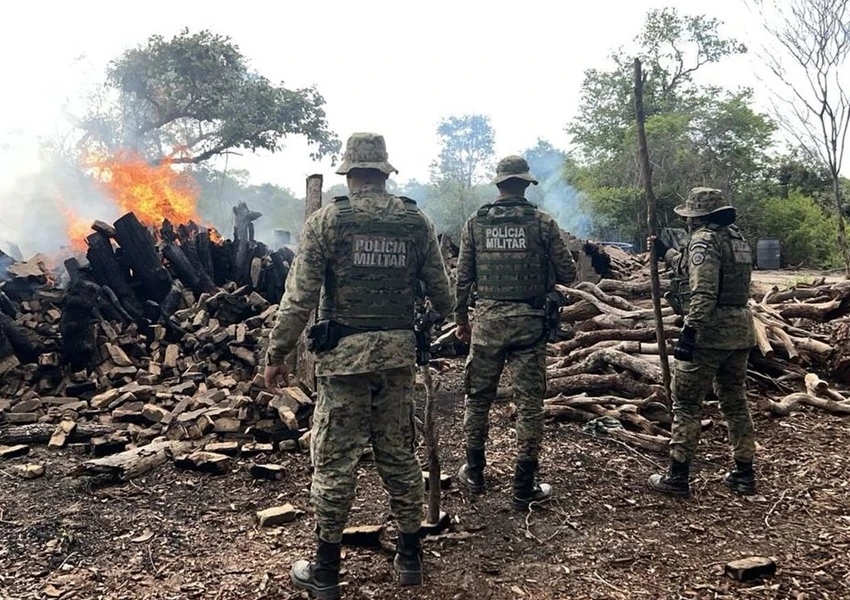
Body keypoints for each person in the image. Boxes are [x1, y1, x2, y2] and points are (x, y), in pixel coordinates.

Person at [264, 132, 453, 599]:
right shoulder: (415, 221)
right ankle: (410, 559)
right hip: (395, 360)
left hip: (343, 362)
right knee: (398, 454)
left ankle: (326, 572)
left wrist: (277, 353)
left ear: (349, 173)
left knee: (334, 461)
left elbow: (300, 296)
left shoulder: (329, 220)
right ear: (384, 173)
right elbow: (444, 297)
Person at [453, 155, 577, 510]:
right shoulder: (542, 223)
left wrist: (462, 319)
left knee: (478, 398)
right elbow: (568, 273)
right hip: (530, 322)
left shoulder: (476, 223)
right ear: (525, 184)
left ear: (499, 184)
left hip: (489, 321)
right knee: (529, 404)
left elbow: (463, 278)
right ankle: (524, 485)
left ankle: (474, 472)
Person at [648, 187, 757, 498]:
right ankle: (744, 473)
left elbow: (704, 292)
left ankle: (678, 477)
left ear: (698, 217)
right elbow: (692, 266)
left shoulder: (703, 240)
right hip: (740, 330)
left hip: (709, 333)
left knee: (686, 404)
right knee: (735, 403)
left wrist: (689, 332)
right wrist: (664, 253)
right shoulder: (736, 239)